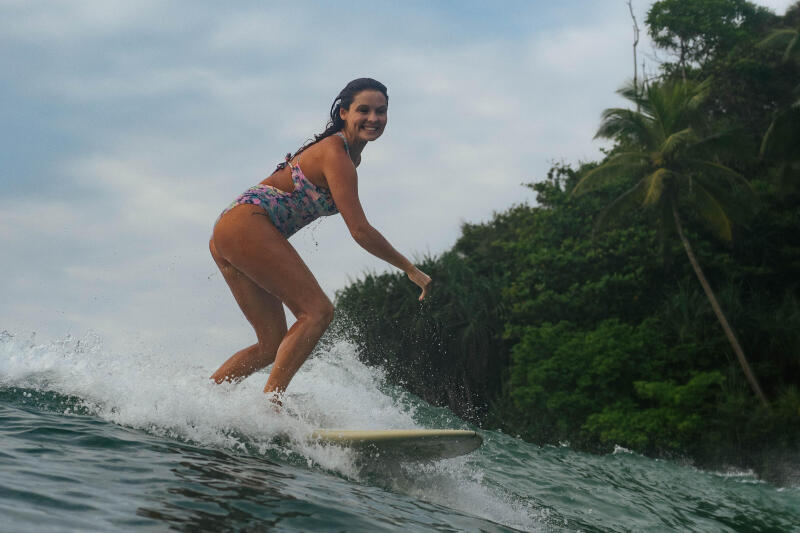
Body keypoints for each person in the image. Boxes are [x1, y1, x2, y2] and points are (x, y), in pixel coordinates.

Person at [208, 78, 432, 403]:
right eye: (364, 110)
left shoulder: (346, 156)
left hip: (231, 231)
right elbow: (360, 230)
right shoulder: (336, 153)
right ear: (343, 112)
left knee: (271, 344)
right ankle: (271, 406)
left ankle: (203, 403)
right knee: (318, 312)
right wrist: (410, 269)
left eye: (380, 111)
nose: (373, 118)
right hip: (245, 223)